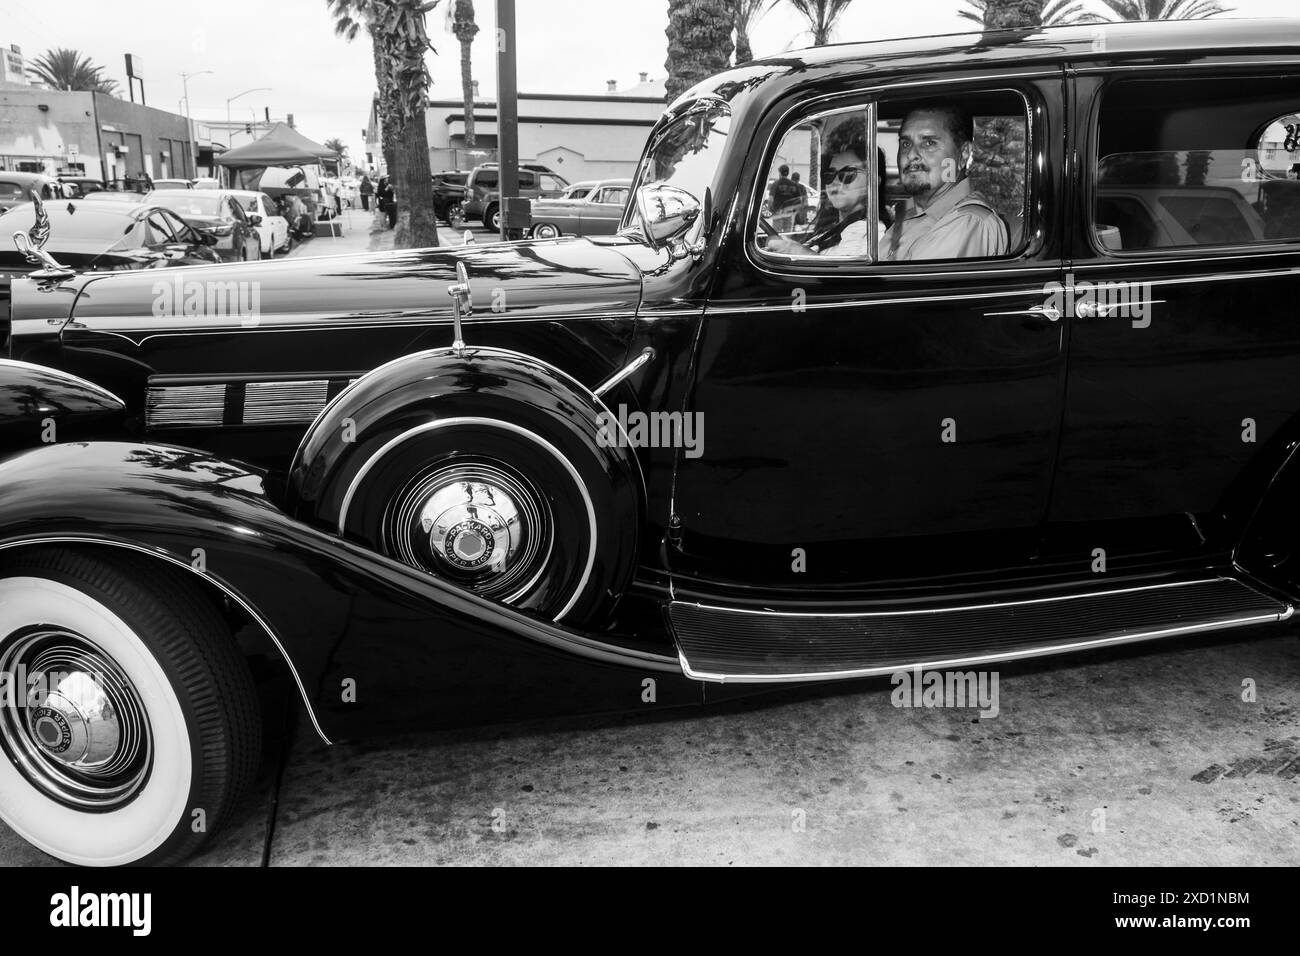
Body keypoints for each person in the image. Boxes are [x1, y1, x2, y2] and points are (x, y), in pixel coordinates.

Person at [881, 103, 1007, 261]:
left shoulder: (967, 223)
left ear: (964, 153)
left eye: (929, 143)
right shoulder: (912, 213)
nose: (911, 154)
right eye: (906, 143)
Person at [767, 118, 874, 258]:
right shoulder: (834, 225)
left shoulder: (868, 232)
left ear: (872, 180)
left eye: (847, 173)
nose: (835, 182)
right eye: (829, 174)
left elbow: (845, 276)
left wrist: (795, 250)